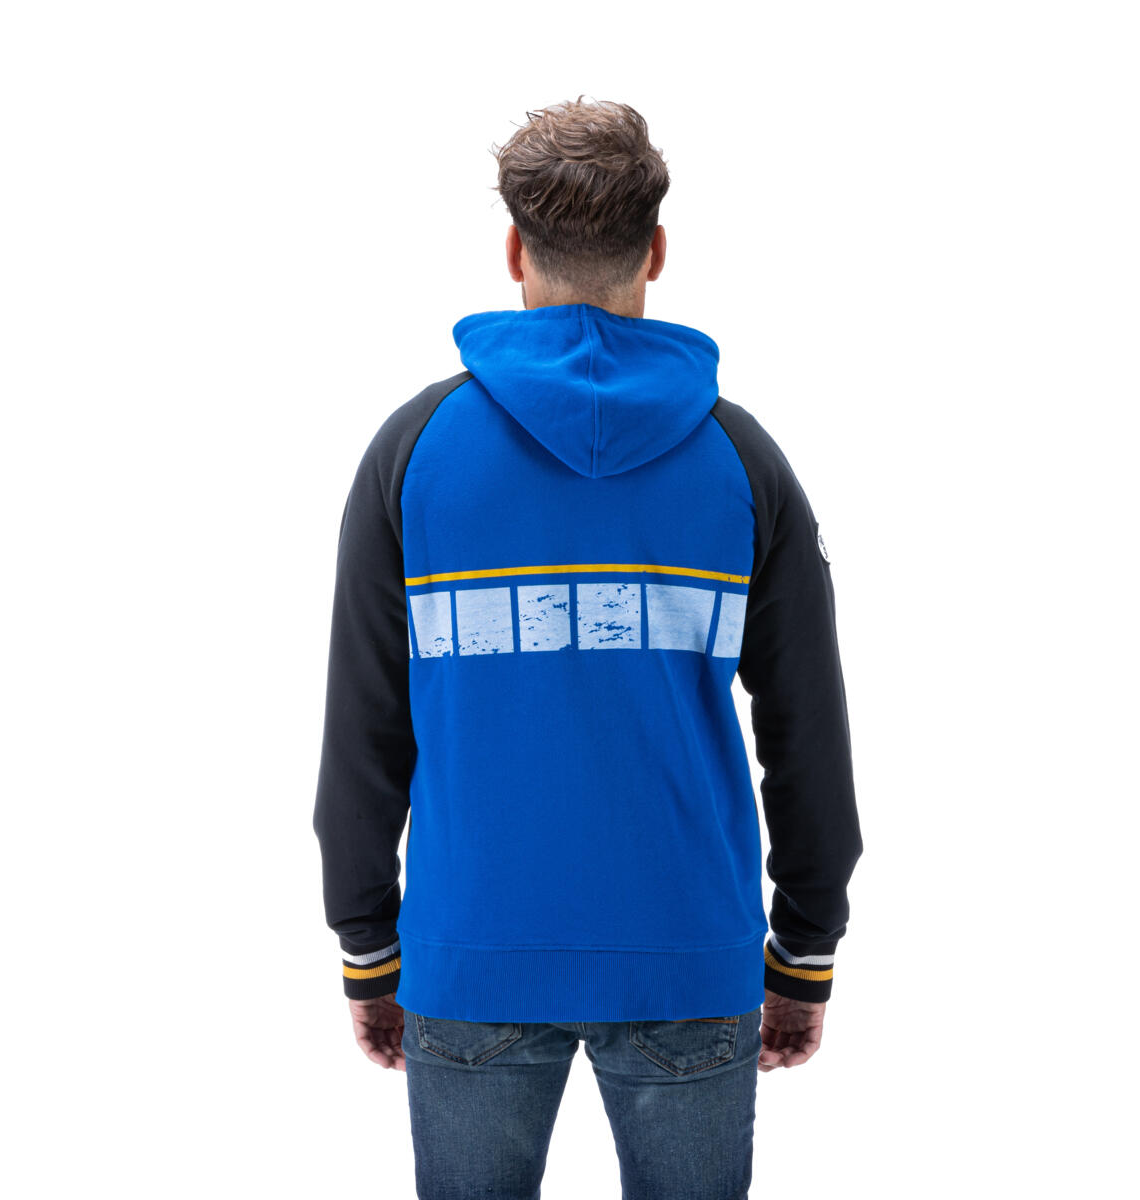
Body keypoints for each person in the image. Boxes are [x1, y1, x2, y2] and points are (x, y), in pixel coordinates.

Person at [312, 96, 864, 1200]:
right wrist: (804, 952)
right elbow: (809, 734)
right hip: (688, 956)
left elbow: (363, 731)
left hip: (471, 953)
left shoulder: (414, 452)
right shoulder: (741, 458)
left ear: (515, 252)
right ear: (655, 250)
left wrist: (369, 947)